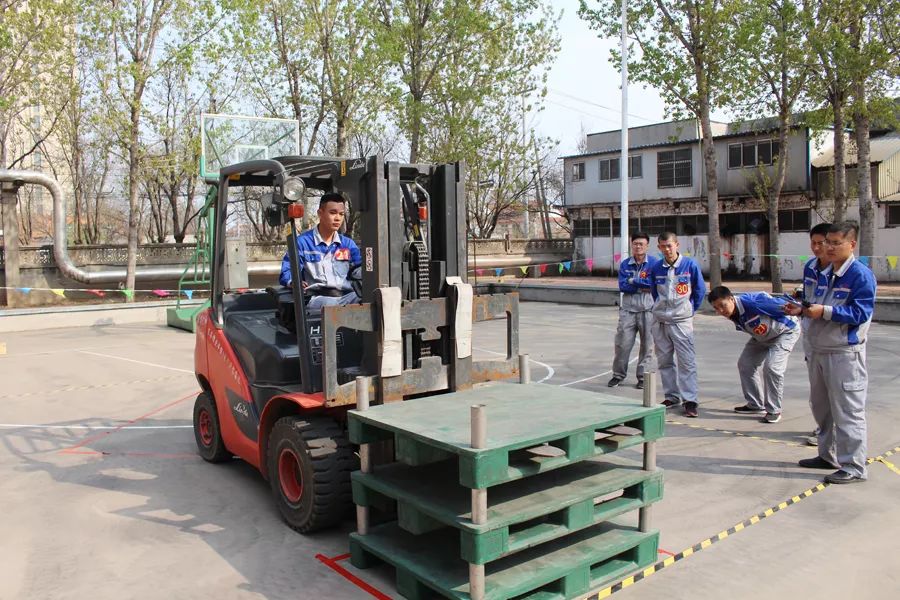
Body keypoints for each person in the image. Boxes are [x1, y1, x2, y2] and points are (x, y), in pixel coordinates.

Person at [785, 221, 876, 484]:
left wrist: (823, 312)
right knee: (821, 408)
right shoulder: (822, 271)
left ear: (852, 244)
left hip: (843, 353)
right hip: (817, 348)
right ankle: (828, 455)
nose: (829, 248)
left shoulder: (860, 275)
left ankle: (854, 466)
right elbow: (813, 302)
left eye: (836, 243)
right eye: (828, 242)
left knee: (848, 410)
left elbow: (860, 313)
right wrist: (801, 309)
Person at [708, 286, 800, 423]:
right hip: (761, 337)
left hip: (785, 333)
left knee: (772, 368)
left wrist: (801, 306)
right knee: (746, 364)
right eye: (716, 308)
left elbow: (788, 306)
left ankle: (774, 410)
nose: (721, 311)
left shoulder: (754, 302)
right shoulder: (733, 311)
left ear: (731, 299)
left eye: (723, 305)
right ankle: (755, 404)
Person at [649, 232, 706, 418]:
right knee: (664, 360)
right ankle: (671, 396)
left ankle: (690, 400)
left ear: (677, 245)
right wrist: (660, 309)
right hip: (660, 321)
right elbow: (654, 292)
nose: (666, 249)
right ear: (659, 247)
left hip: (681, 321)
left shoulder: (689, 265)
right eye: (662, 246)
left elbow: (699, 290)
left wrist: (689, 310)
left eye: (669, 245)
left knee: (686, 362)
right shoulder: (656, 267)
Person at [279, 192, 362, 310]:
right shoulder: (302, 243)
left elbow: (359, 269)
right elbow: (287, 271)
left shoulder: (348, 244)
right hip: (318, 298)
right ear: (320, 214)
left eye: (341, 214)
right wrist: (294, 282)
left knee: (374, 296)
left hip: (347, 296)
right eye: (333, 213)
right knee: (338, 305)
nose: (338, 218)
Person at [608, 232, 660, 390]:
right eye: (635, 243)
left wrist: (634, 281)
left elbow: (653, 285)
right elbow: (623, 286)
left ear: (647, 246)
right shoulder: (625, 264)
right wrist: (641, 285)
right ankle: (618, 375)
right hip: (628, 310)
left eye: (641, 244)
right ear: (631, 245)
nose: (638, 246)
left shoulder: (654, 263)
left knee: (647, 345)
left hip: (648, 310)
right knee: (622, 344)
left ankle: (643, 377)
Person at [799, 222, 832, 446]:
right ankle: (824, 430)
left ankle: (835, 437)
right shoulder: (810, 266)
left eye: (822, 243)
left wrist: (823, 312)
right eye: (813, 243)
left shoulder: (845, 271)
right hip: (811, 335)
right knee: (818, 391)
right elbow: (808, 297)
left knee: (835, 391)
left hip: (834, 340)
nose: (817, 248)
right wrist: (799, 307)